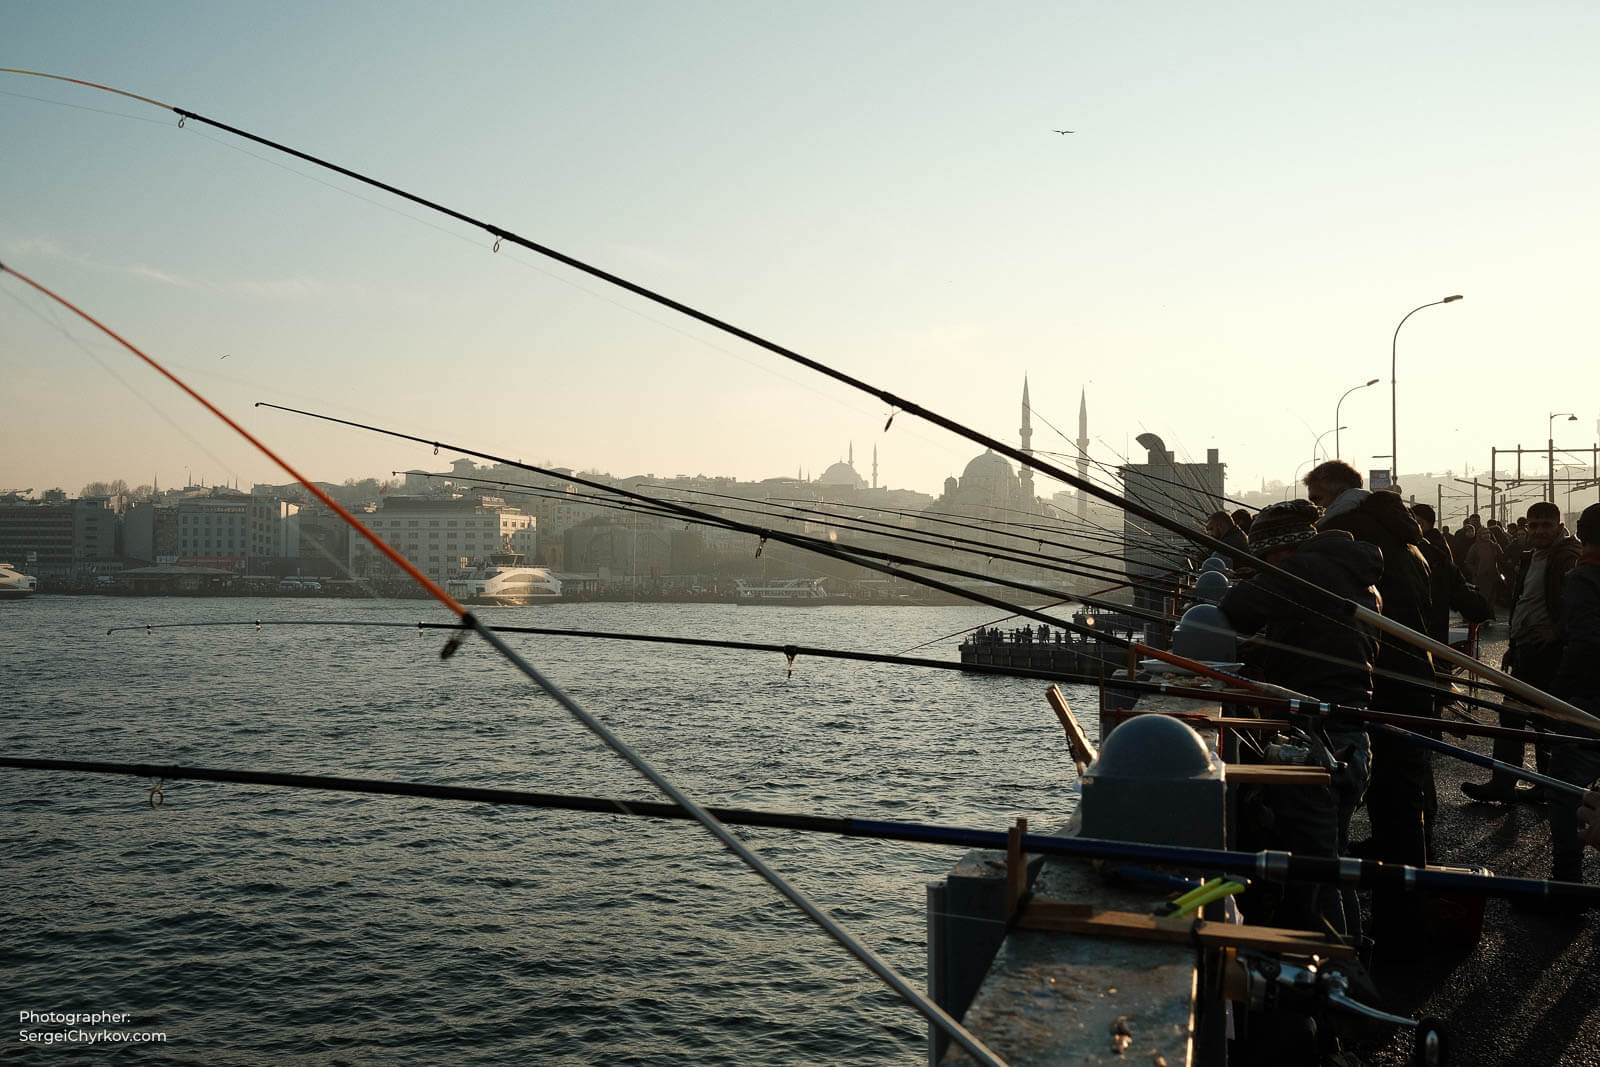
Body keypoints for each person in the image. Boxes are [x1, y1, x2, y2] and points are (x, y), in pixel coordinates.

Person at [1218, 498, 1380, 938]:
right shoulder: (1347, 571)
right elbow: (1324, 642)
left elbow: (1239, 607)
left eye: (1266, 558)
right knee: (1332, 867)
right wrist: (1266, 650)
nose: (1264, 566)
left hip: (1318, 746)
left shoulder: (1305, 571)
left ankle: (1339, 985)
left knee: (1315, 882)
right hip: (1350, 739)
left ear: (1281, 551)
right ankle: (1350, 968)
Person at [1303, 461, 1436, 871]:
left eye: (1319, 500)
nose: (1317, 511)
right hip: (1415, 671)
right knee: (1403, 791)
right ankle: (1409, 881)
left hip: (1384, 675)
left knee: (1394, 790)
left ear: (1337, 490)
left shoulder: (1346, 534)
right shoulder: (1404, 535)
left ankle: (1401, 908)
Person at [1461, 501, 1583, 802]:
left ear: (1559, 527)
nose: (1540, 531)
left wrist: (1558, 631)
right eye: (1534, 525)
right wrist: (1514, 644)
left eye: (1546, 525)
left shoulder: (1568, 557)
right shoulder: (1531, 556)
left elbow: (1579, 605)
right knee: (1513, 716)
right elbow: (1523, 601)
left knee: (1544, 720)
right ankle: (1507, 782)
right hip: (1527, 648)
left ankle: (1544, 786)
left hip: (1550, 652)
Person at [1549, 504, 1600, 875]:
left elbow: (1585, 641)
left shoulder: (1584, 577)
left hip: (1590, 696)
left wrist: (1560, 690)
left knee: (1565, 789)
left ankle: (1567, 879)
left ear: (1581, 533)